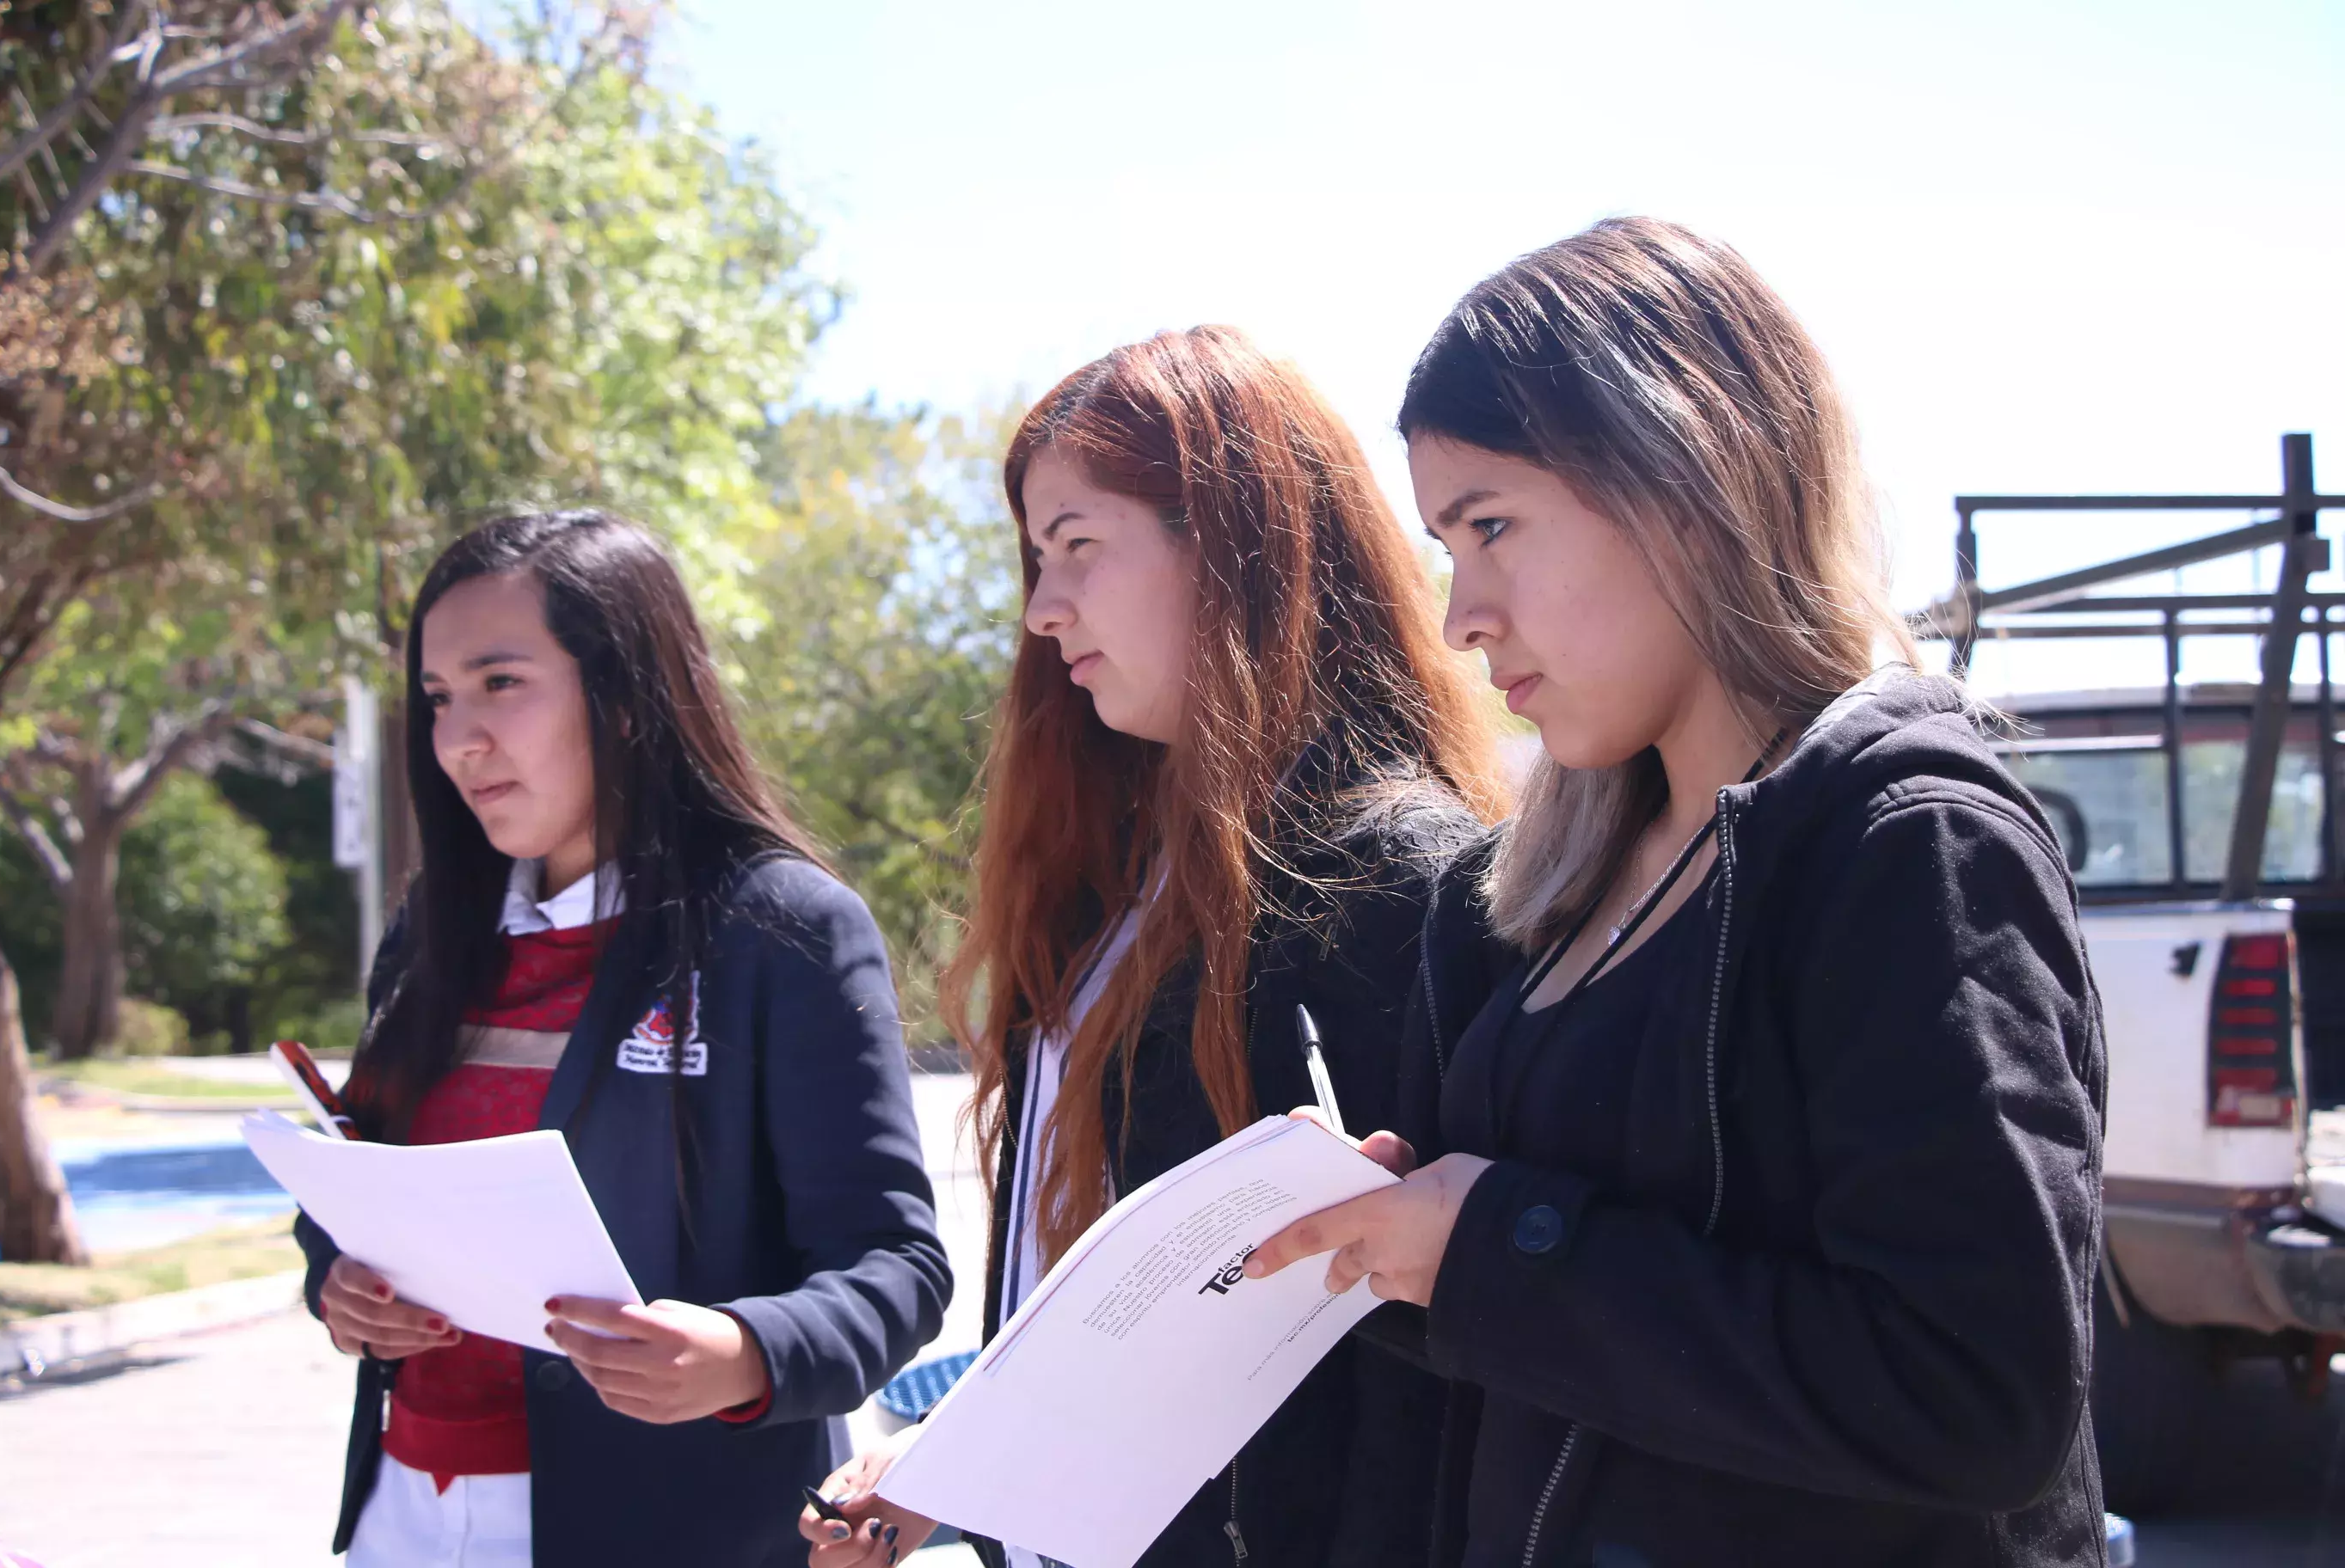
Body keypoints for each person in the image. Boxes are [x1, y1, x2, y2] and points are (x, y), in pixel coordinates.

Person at [1247, 218, 2109, 1567]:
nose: (1461, 611)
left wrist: (1492, 1248)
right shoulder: (1531, 888)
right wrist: (1410, 1243)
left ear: (1683, 477)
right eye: (1443, 543)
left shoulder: (1905, 843)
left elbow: (1976, 1394)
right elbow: (1599, 1362)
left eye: (1492, 526)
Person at [800, 326, 1507, 1568]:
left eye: (1077, 548)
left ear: (1240, 544)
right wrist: (961, 1462)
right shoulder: (1103, 886)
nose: (1039, 609)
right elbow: (1121, 1316)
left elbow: (1416, 1399)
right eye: (1032, 556)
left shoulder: (1397, 879)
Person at [296, 511, 952, 1567]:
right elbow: (355, 1183)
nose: (462, 737)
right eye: (438, 698)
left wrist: (747, 1353)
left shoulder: (779, 930)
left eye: (501, 683)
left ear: (628, 698)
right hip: (405, 1518)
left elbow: (895, 1265)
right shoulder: (431, 931)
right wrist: (339, 1280)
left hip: (671, 1527)